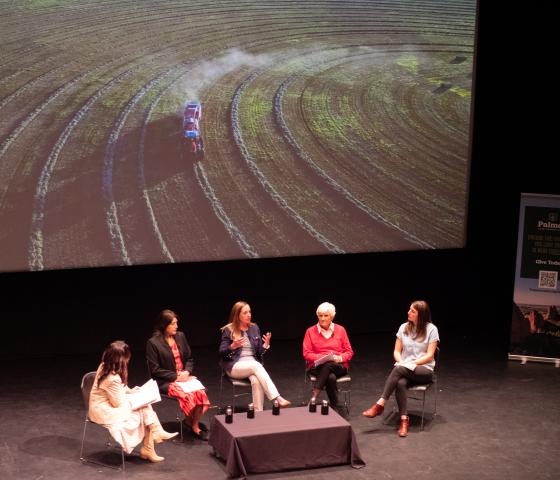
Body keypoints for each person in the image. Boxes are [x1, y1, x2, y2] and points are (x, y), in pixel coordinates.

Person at [89, 340, 177, 463]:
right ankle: (151, 442)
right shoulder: (112, 378)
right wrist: (136, 398)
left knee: (143, 405)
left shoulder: (105, 365)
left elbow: (118, 389)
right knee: (143, 407)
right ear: (120, 358)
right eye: (127, 357)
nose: (128, 360)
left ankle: (153, 440)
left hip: (107, 403)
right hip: (104, 410)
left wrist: (130, 391)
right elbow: (117, 403)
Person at [362, 300, 439, 437]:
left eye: (412, 311)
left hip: (424, 369)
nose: (408, 312)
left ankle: (380, 404)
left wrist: (412, 363)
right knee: (400, 382)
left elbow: (429, 355)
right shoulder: (403, 327)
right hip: (406, 368)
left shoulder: (431, 329)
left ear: (421, 314)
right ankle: (404, 419)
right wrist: (402, 362)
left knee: (398, 370)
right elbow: (397, 352)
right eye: (409, 309)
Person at [146, 309, 211, 441]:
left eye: (177, 323)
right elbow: (155, 370)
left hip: (184, 377)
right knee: (188, 395)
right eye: (173, 324)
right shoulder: (153, 343)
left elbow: (189, 358)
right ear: (164, 325)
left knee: (201, 392)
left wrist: (187, 372)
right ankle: (191, 423)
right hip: (165, 381)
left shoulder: (180, 336)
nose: (177, 326)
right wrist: (176, 377)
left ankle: (193, 423)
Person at [219, 301, 291, 411]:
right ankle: (277, 398)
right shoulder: (228, 330)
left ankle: (258, 413)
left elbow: (259, 352)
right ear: (237, 315)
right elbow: (222, 352)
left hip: (252, 366)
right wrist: (232, 346)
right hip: (234, 366)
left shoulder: (254, 328)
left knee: (256, 380)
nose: (249, 315)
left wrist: (266, 345)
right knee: (256, 366)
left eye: (250, 312)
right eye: (245, 313)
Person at [302, 302, 354, 412]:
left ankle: (314, 397)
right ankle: (335, 406)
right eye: (320, 315)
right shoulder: (310, 331)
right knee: (330, 377)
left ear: (332, 316)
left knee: (329, 364)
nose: (322, 318)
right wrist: (323, 357)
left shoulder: (341, 330)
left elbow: (349, 352)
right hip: (317, 367)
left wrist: (339, 358)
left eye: (326, 315)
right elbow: (306, 353)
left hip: (338, 366)